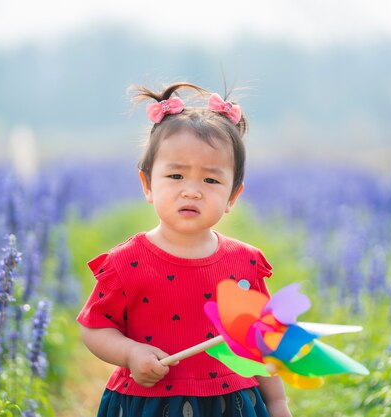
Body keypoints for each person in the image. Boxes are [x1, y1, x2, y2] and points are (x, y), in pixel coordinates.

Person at [77, 82, 292, 417]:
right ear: (148, 184)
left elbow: (258, 343)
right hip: (150, 404)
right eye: (176, 176)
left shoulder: (245, 264)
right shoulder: (126, 262)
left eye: (210, 181)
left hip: (229, 404)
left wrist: (277, 404)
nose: (191, 191)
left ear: (232, 197)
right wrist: (130, 353)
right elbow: (95, 327)